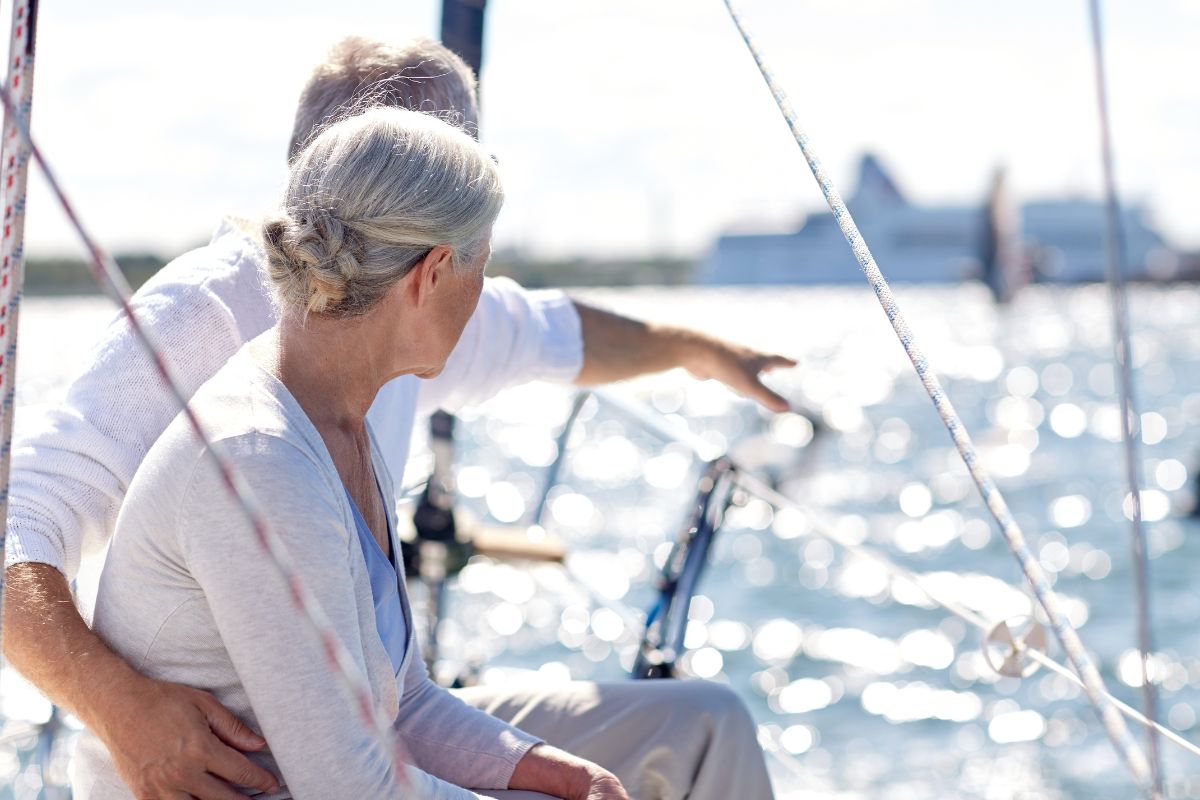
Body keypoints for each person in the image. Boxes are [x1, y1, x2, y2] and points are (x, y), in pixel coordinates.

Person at [4, 37, 784, 799]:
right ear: (432, 267)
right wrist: (120, 706)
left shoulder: (349, 388)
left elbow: (398, 700)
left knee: (699, 726)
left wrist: (548, 768)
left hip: (344, 748)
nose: (485, 289)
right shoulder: (242, 398)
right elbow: (349, 783)